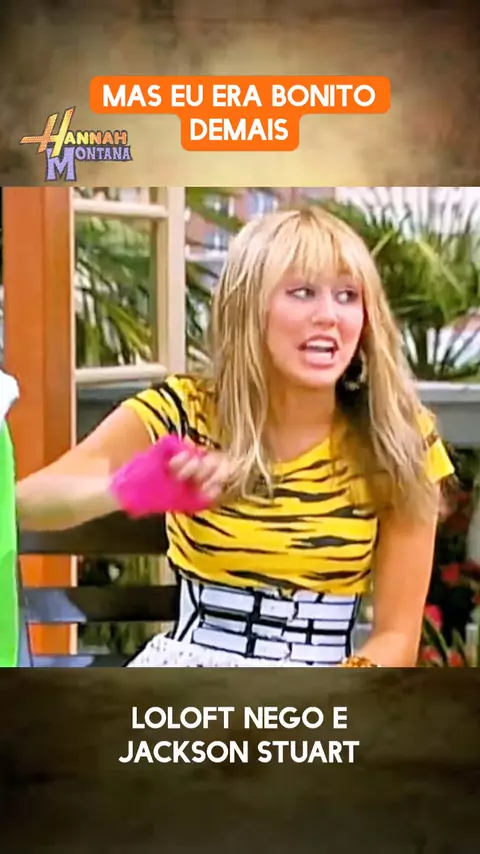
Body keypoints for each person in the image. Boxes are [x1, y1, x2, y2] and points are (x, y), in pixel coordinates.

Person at [15, 206, 454, 668]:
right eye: (303, 292)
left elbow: (397, 638)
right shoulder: (184, 410)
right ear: (248, 307)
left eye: (347, 295)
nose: (329, 315)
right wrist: (126, 487)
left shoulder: (398, 438)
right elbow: (27, 503)